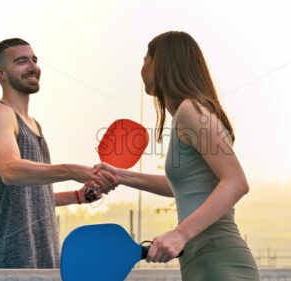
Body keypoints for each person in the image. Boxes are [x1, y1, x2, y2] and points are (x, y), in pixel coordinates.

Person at [95, 31, 260, 280]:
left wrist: (180, 233)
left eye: (145, 59)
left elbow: (236, 183)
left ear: (160, 64)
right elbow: (186, 188)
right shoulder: (187, 113)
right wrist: (120, 175)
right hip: (199, 257)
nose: (141, 70)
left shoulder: (191, 110)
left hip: (219, 257)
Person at [0, 38, 117, 268]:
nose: (33, 67)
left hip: (46, 256)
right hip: (14, 262)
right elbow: (10, 171)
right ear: (0, 72)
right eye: (21, 61)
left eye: (34, 60)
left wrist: (78, 197)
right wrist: (73, 170)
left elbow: (30, 199)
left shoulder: (34, 125)